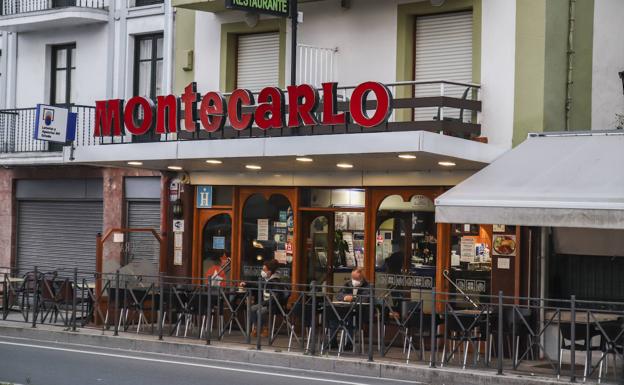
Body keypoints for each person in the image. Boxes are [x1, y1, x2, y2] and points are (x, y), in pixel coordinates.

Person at [239, 259, 284, 338]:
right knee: (251, 309)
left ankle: (265, 329)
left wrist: (263, 304)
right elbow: (257, 284)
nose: (262, 272)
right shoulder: (265, 280)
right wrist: (246, 284)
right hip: (265, 303)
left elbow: (275, 298)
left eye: (264, 270)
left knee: (260, 311)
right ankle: (257, 328)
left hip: (273, 305)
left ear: (269, 272)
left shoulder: (276, 282)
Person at [330, 267, 370, 350]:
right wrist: (345, 297)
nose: (354, 280)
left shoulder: (368, 286)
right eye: (353, 278)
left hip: (360, 312)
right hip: (345, 310)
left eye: (357, 279)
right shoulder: (347, 284)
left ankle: (349, 343)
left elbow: (366, 298)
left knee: (351, 319)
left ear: (362, 278)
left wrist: (353, 299)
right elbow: (338, 295)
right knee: (333, 318)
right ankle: (332, 341)